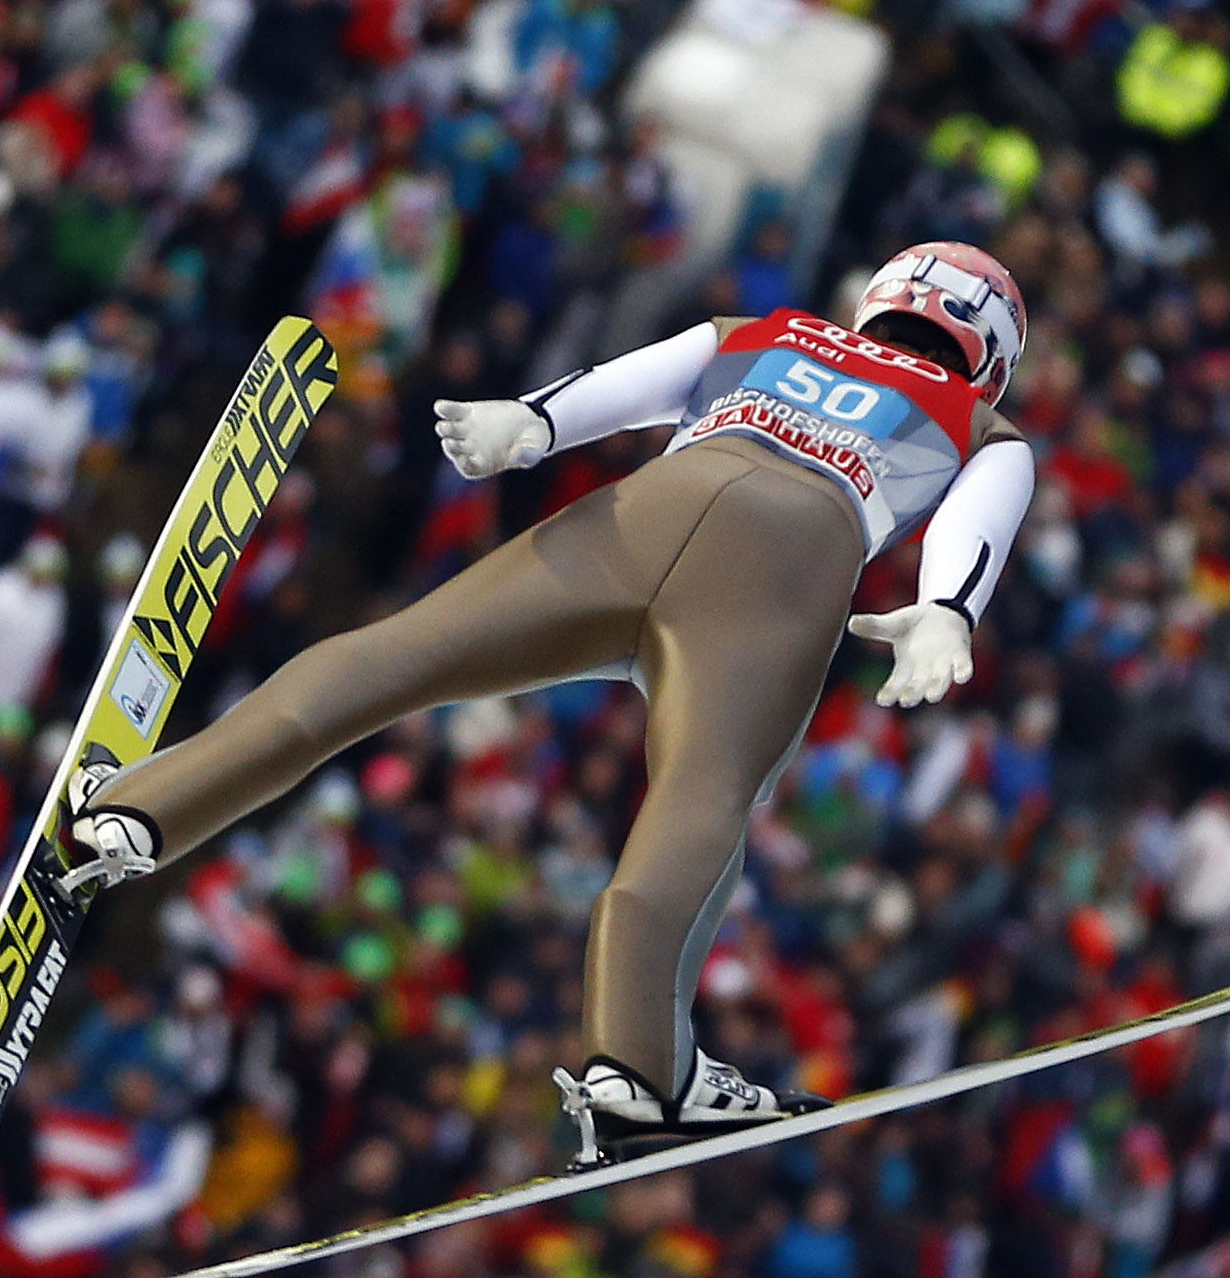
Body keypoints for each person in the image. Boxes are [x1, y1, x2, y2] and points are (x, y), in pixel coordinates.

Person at [63, 246, 1037, 1162]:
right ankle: (637, 1066)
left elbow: (630, 382)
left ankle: (142, 806)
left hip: (644, 512)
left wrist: (528, 422)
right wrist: (944, 611)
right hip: (785, 560)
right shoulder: (978, 422)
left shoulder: (766, 329)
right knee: (699, 798)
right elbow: (976, 519)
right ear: (987, 360)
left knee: (400, 655)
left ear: (880, 296)